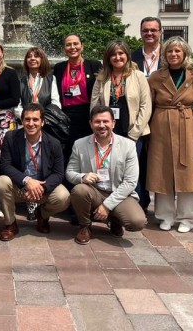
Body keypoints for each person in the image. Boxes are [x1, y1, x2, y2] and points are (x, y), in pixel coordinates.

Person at [146, 37, 193, 233]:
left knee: (187, 171)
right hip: (161, 125)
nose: (173, 54)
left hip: (186, 124)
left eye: (177, 51)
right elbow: (150, 103)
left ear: (185, 54)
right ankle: (165, 215)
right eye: (170, 51)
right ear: (164, 55)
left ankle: (187, 217)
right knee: (161, 171)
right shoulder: (156, 77)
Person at [66, 105, 146, 244]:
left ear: (113, 123)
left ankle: (114, 219)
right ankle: (85, 226)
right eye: (97, 122)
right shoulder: (79, 144)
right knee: (79, 190)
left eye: (106, 121)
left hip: (119, 194)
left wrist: (106, 206)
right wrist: (82, 177)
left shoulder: (128, 145)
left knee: (137, 222)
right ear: (91, 124)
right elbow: (69, 172)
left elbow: (130, 182)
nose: (101, 125)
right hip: (94, 192)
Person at [90, 41, 152, 211]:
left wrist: (134, 134)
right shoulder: (102, 78)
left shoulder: (138, 76)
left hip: (133, 133)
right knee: (111, 170)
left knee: (132, 172)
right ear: (108, 58)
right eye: (113, 54)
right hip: (108, 133)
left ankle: (138, 206)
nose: (117, 57)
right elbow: (94, 106)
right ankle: (112, 207)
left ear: (127, 55)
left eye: (121, 53)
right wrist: (98, 129)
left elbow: (146, 106)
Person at [0, 103, 69, 241]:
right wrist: (27, 181)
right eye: (27, 119)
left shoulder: (54, 143)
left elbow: (59, 173)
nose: (31, 123)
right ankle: (10, 224)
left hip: (42, 188)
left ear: (43, 122)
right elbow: (5, 166)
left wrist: (41, 188)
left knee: (63, 196)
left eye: (35, 119)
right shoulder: (11, 138)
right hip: (20, 186)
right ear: (22, 121)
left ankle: (43, 216)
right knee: (1, 182)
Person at [53, 34, 102, 172]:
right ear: (64, 48)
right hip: (66, 116)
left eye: (76, 44)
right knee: (69, 151)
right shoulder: (59, 68)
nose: (72, 47)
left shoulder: (94, 65)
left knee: (89, 150)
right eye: (68, 44)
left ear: (82, 46)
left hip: (88, 114)